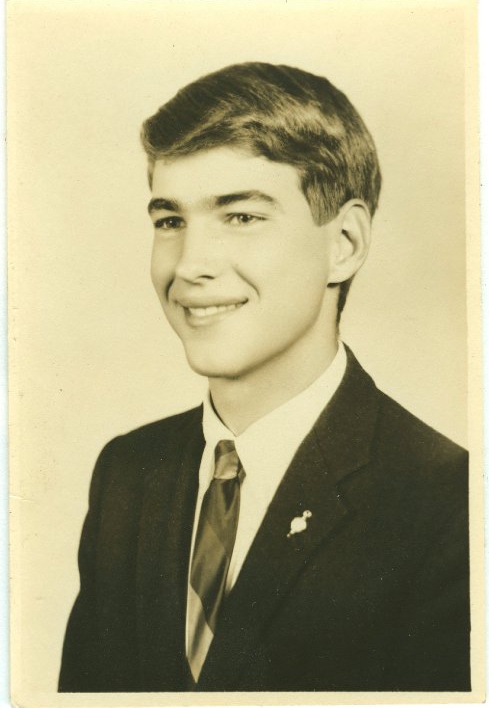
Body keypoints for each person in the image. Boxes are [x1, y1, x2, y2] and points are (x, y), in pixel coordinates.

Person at [58, 62, 470, 693]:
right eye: (170, 220)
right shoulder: (127, 473)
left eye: (241, 217)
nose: (191, 264)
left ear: (346, 243)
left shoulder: (451, 504)